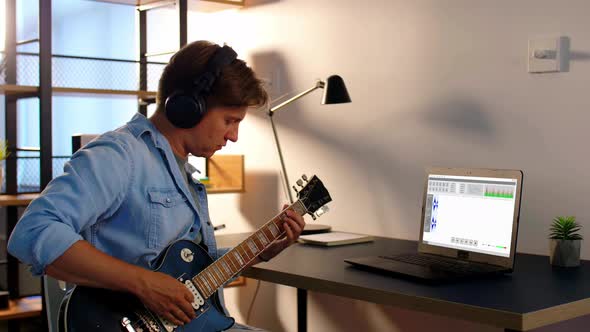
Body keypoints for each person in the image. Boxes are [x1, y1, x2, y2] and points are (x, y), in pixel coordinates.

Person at [7, 40, 305, 331]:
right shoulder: (120, 154)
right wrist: (143, 284)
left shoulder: (185, 174)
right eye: (229, 120)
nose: (234, 136)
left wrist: (260, 251)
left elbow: (188, 279)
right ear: (190, 107)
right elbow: (34, 231)